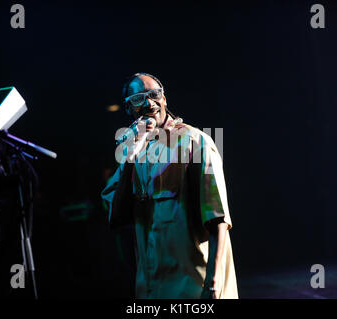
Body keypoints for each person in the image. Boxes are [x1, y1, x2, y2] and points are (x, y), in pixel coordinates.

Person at [101, 72, 238, 299]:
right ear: (127, 109)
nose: (148, 103)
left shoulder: (195, 141)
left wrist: (213, 285)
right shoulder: (133, 151)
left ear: (164, 98)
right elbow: (116, 216)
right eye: (138, 99)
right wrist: (129, 157)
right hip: (151, 289)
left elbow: (218, 219)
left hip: (194, 286)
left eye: (154, 94)